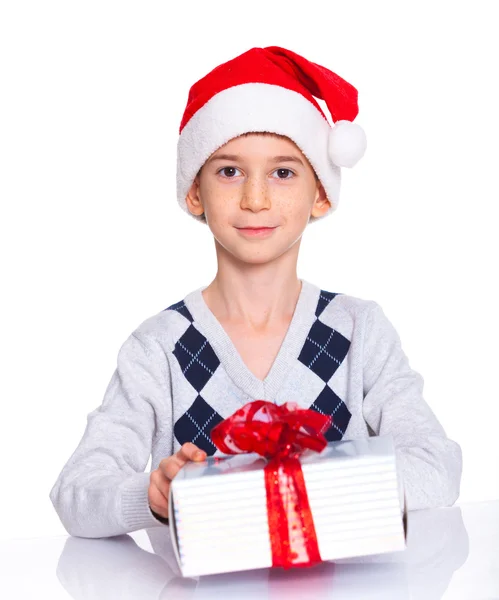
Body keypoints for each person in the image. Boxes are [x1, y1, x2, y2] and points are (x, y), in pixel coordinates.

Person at [49, 46, 462, 539]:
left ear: (322, 194)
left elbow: (437, 465)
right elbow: (77, 492)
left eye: (283, 171)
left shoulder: (359, 332)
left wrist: (313, 488)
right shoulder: (159, 348)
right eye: (229, 171)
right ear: (195, 190)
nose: (255, 198)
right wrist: (151, 496)